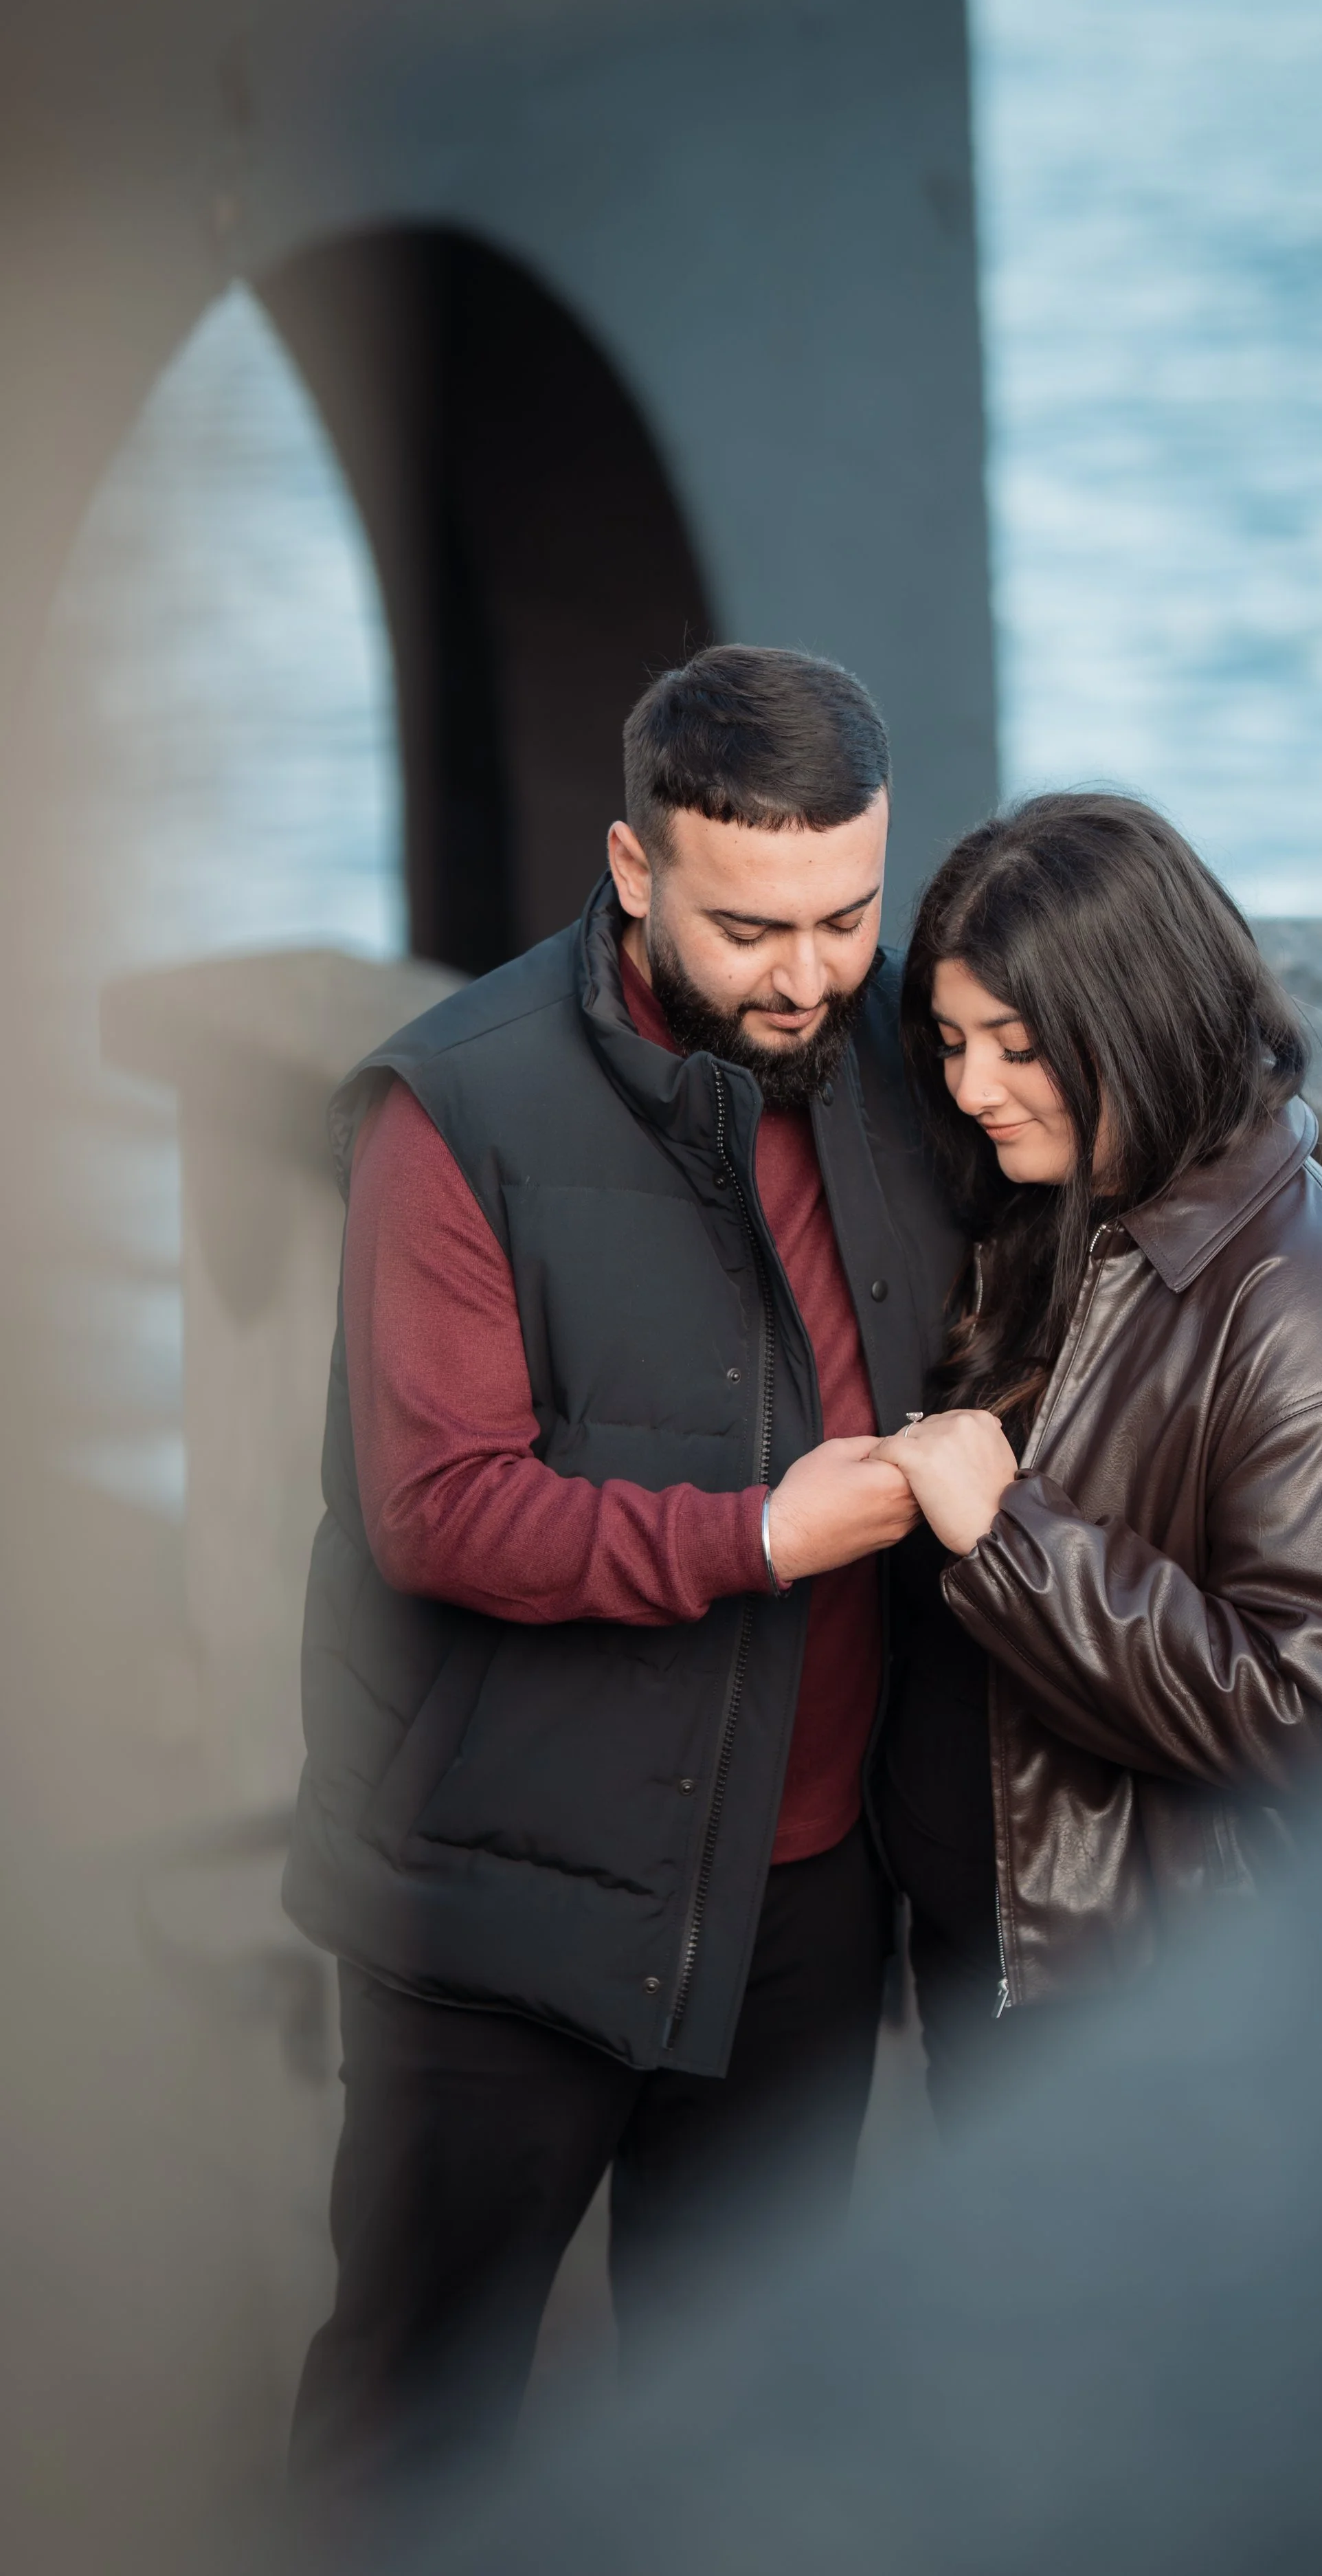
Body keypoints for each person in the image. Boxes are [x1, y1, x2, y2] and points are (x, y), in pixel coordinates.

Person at [282, 647, 963, 2497]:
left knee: (743, 2407)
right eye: (751, 927)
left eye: (848, 911)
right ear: (631, 863)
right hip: (507, 1892)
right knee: (416, 2413)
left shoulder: (900, 1048)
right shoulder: (452, 1115)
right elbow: (438, 1506)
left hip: (811, 1891)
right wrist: (757, 1534)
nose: (811, 973)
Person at [871, 792, 1322, 2111]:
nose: (973, 1087)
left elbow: (1315, 1721)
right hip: (1003, 1953)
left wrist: (1009, 1533)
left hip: (1157, 2015)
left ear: (1135, 1020)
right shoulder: (1068, 1205)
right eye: (951, 1042)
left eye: (1018, 1046)